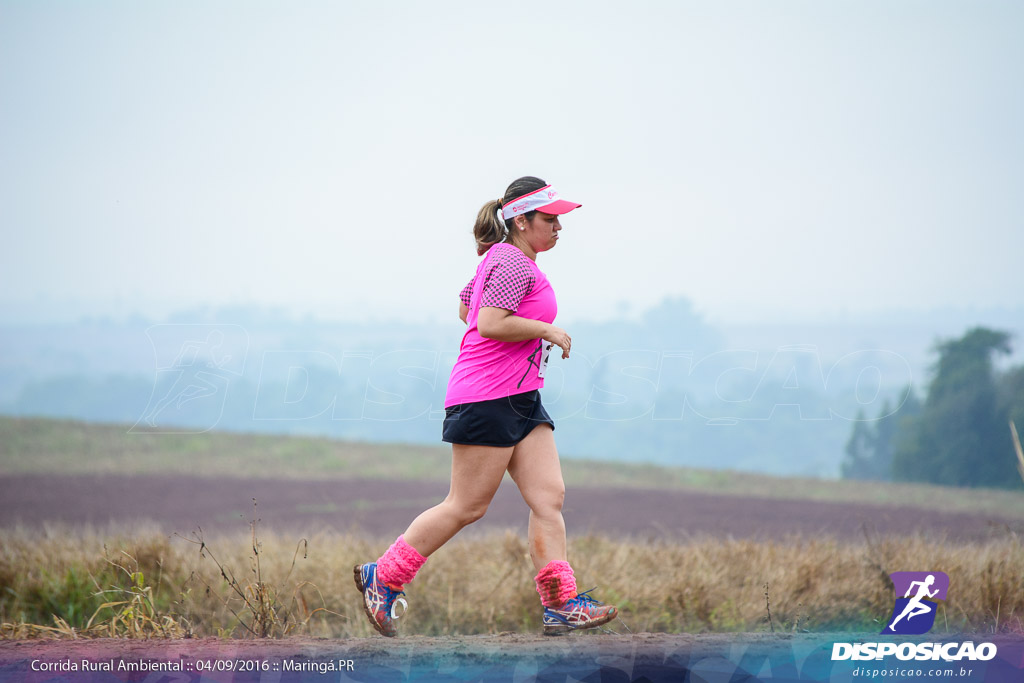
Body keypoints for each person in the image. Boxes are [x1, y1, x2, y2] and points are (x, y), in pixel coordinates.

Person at [353, 175, 618, 637]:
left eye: (560, 220)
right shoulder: (511, 262)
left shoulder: (505, 259)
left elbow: (466, 311)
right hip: (486, 396)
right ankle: (384, 576)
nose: (559, 227)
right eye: (550, 219)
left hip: (521, 396)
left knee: (548, 497)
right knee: (467, 506)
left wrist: (524, 335)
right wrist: (544, 329)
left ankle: (562, 604)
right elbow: (489, 322)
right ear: (521, 220)